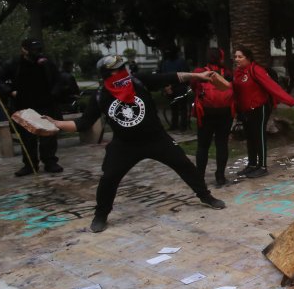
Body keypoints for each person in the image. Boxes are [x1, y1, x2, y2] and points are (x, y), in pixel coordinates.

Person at [47, 55, 226, 233]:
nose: (122, 73)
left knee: (184, 164)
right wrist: (56, 124)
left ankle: (206, 197)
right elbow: (83, 123)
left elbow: (171, 77)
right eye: (117, 70)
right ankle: (101, 215)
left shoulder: (138, 81)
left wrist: (197, 76)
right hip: (125, 145)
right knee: (109, 178)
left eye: (123, 68)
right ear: (106, 73)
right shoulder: (101, 95)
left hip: (156, 138)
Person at [0, 38, 64, 176]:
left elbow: (59, 79)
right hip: (24, 105)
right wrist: (9, 91)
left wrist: (54, 93)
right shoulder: (13, 63)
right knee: (27, 137)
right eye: (32, 50)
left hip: (46, 103)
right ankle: (30, 164)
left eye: (38, 50)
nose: (36, 53)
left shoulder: (47, 62)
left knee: (48, 134)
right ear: (24, 49)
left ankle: (50, 161)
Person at [232, 46, 294, 178]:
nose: (237, 59)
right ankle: (251, 164)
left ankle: (262, 166)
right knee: (250, 137)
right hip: (245, 110)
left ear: (248, 58)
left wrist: (289, 100)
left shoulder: (256, 70)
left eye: (240, 56)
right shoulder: (238, 73)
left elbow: (271, 86)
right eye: (236, 56)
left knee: (259, 136)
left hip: (259, 109)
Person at [192, 47, 234, 187]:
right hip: (225, 113)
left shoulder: (199, 72)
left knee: (203, 146)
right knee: (222, 144)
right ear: (221, 58)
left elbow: (193, 87)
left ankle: (199, 177)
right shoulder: (227, 72)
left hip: (205, 113)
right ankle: (220, 177)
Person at [158, 48, 190, 131]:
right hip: (172, 88)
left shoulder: (181, 62)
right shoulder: (165, 63)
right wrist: (166, 87)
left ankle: (183, 126)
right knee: (174, 108)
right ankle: (175, 125)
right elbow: (162, 75)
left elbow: (184, 75)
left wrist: (168, 86)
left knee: (182, 108)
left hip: (179, 87)